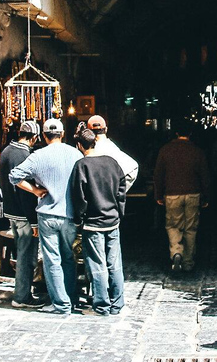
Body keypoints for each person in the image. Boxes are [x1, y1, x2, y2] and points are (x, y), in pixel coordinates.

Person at [9, 118, 82, 315]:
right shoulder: (75, 154)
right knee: (68, 256)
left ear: (43, 136)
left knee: (52, 259)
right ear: (63, 134)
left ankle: (60, 303)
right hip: (68, 213)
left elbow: (14, 176)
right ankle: (70, 297)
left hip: (47, 213)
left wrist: (34, 190)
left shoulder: (38, 155)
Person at [70, 127, 127, 316]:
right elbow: (121, 190)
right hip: (112, 219)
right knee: (114, 262)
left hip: (93, 222)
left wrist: (79, 218)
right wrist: (119, 212)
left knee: (97, 263)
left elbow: (79, 197)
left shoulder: (82, 165)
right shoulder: (112, 162)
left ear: (80, 145)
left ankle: (101, 305)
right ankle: (117, 303)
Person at [0, 120, 44, 308]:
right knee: (27, 256)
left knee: (21, 252)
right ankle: (22, 296)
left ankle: (21, 290)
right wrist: (33, 221)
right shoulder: (25, 155)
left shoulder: (5, 151)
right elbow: (27, 194)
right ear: (34, 138)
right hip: (24, 215)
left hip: (11, 212)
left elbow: (2, 183)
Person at [154, 119, 210, 272]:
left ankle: (176, 252)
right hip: (193, 193)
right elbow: (204, 176)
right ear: (190, 133)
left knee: (173, 226)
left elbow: (158, 174)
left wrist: (158, 194)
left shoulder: (165, 150)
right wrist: (205, 196)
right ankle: (188, 262)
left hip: (172, 194)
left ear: (176, 133)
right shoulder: (197, 151)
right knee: (191, 229)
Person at [87, 115, 139, 191]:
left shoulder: (89, 150)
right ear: (106, 129)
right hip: (110, 199)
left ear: (89, 132)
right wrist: (117, 192)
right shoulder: (112, 148)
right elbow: (133, 167)